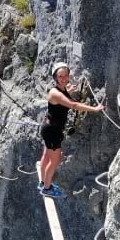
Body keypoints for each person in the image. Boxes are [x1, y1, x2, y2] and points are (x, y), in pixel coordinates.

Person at [39, 62, 105, 198]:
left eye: (65, 75)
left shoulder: (60, 89)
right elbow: (73, 105)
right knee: (55, 161)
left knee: (46, 156)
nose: (63, 78)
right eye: (60, 76)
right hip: (53, 131)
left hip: (49, 128)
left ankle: (43, 182)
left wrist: (69, 91)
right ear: (55, 77)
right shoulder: (55, 93)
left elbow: (62, 99)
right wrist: (95, 109)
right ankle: (47, 188)